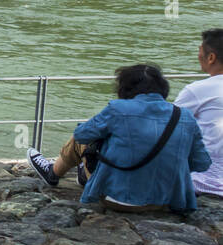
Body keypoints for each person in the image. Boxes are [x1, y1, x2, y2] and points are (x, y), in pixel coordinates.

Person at [27, 63, 210, 214]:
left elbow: (82, 135)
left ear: (124, 88)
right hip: (166, 201)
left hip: (116, 199)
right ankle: (84, 173)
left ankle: (53, 173)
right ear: (163, 89)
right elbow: (201, 163)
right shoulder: (184, 116)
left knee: (81, 136)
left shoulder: (118, 109)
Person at [173, 28, 223, 198]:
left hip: (207, 181)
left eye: (200, 51)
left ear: (211, 57)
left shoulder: (198, 90)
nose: (198, 56)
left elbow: (168, 125)